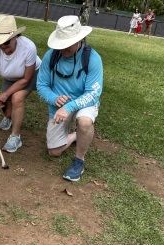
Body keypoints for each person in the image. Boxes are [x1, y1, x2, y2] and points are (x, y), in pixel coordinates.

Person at [37, 16, 103, 182]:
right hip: (59, 107)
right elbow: (41, 85)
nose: (62, 49)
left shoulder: (92, 58)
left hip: (83, 102)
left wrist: (69, 107)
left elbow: (93, 93)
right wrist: (54, 99)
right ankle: (75, 136)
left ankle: (79, 160)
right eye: (61, 45)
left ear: (79, 39)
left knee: (85, 121)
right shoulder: (50, 56)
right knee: (54, 152)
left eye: (66, 45)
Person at [0, 15, 41, 153]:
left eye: (6, 43)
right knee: (3, 106)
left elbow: (25, 78)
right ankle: (9, 118)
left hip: (30, 75)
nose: (3, 47)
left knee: (16, 98)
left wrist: (6, 93)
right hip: (10, 77)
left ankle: (15, 136)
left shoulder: (28, 47)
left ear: (15, 37)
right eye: (0, 43)